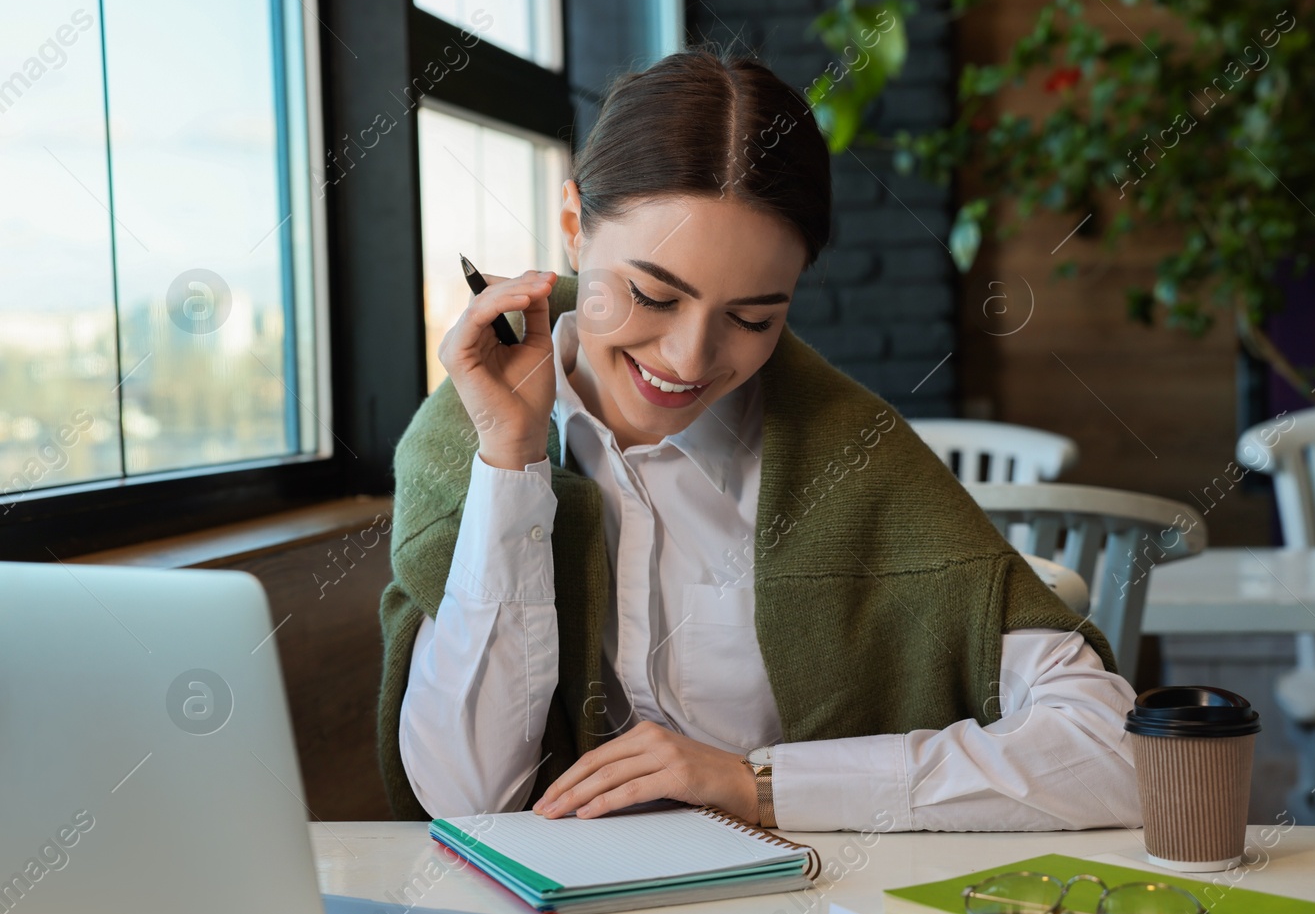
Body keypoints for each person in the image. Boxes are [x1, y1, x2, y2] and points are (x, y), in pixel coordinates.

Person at [381, 46, 1141, 834]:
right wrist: (511, 462)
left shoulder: (851, 458)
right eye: (651, 295)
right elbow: (469, 800)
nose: (689, 359)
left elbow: (1115, 751)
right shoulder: (461, 455)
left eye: (752, 319)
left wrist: (760, 783)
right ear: (573, 226)